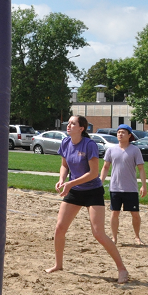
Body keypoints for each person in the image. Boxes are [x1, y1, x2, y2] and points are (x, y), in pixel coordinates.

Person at [45, 115, 128, 283]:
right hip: (74, 190)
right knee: (59, 229)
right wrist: (62, 179)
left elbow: (93, 173)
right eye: (68, 123)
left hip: (92, 191)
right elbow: (64, 165)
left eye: (72, 123)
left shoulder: (89, 145)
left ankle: (122, 269)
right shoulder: (65, 142)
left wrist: (69, 183)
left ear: (81, 128)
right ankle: (58, 264)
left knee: (98, 233)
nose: (68, 126)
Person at [99, 124, 147, 245]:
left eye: (123, 132)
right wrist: (100, 182)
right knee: (114, 212)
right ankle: (114, 238)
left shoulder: (135, 150)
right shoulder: (111, 150)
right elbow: (105, 167)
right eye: (119, 132)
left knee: (135, 214)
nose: (120, 134)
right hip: (115, 187)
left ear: (129, 135)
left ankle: (137, 237)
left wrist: (144, 185)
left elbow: (141, 169)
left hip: (131, 188)